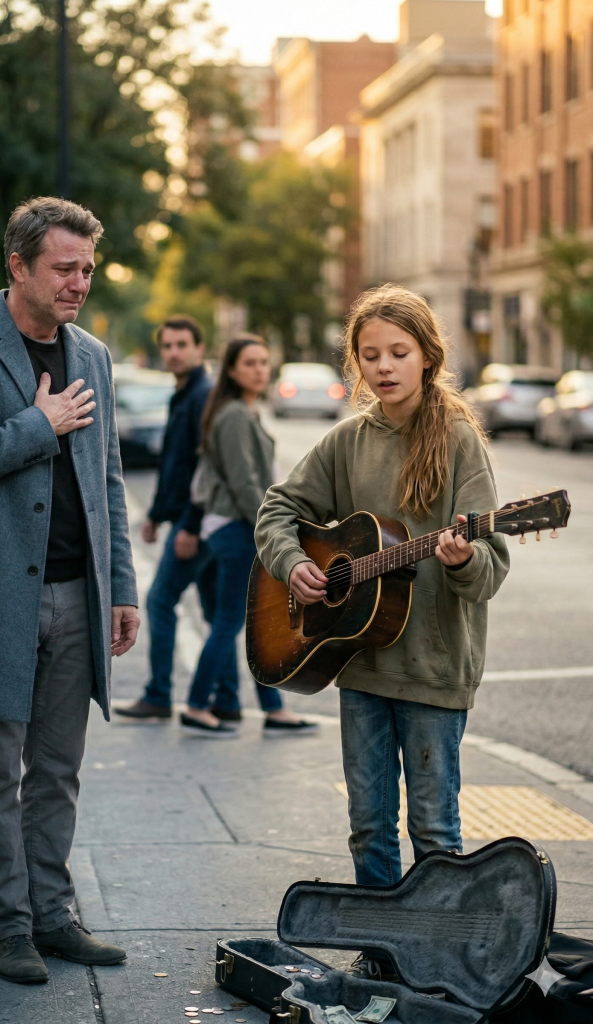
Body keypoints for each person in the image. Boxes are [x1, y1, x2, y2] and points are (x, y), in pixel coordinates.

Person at [0, 197, 140, 985]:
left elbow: (107, 481)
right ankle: (7, 928)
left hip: (78, 597)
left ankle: (52, 916)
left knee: (56, 772)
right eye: (63, 268)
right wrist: (37, 427)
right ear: (18, 266)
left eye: (87, 269)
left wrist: (121, 587)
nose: (79, 283)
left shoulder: (93, 356)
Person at [255, 285, 509, 976]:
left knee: (433, 828)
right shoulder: (347, 441)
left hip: (432, 668)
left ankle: (441, 961)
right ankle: (383, 955)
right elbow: (277, 509)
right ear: (356, 362)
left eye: (399, 352)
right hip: (360, 664)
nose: (384, 366)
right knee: (369, 826)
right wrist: (294, 565)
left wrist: (461, 559)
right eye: (370, 355)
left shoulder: (458, 440)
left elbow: (489, 568)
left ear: (428, 356)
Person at [181, 335, 317, 738]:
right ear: (232, 371)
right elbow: (245, 484)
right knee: (229, 623)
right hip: (238, 529)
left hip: (238, 528)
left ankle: (273, 708)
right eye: (249, 363)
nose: (259, 370)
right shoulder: (235, 415)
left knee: (253, 624)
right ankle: (196, 705)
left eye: (263, 362)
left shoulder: (244, 411)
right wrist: (273, 531)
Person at [115, 315, 240, 722]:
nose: (173, 352)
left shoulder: (204, 396)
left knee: (160, 601)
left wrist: (188, 524)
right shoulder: (184, 394)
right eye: (167, 345)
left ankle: (158, 695)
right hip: (194, 522)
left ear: (199, 349)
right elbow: (174, 464)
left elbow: (208, 469)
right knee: (212, 609)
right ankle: (228, 700)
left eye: (182, 344)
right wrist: (155, 515)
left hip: (197, 524)